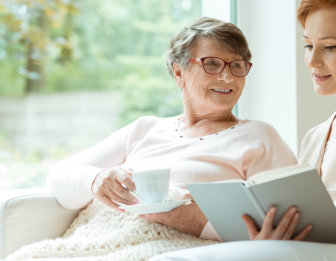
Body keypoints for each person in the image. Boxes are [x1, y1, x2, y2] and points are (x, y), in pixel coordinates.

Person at [150, 0, 336, 260]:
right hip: (331, 250)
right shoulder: (315, 136)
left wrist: (324, 216)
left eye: (330, 47)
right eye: (308, 45)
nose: (313, 61)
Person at [47, 17, 298, 239]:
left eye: (237, 65)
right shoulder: (144, 129)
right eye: (212, 64)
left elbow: (288, 222)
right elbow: (59, 177)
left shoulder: (258, 137)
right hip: (100, 240)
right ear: (179, 72)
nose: (228, 77)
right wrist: (96, 180)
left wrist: (197, 222)